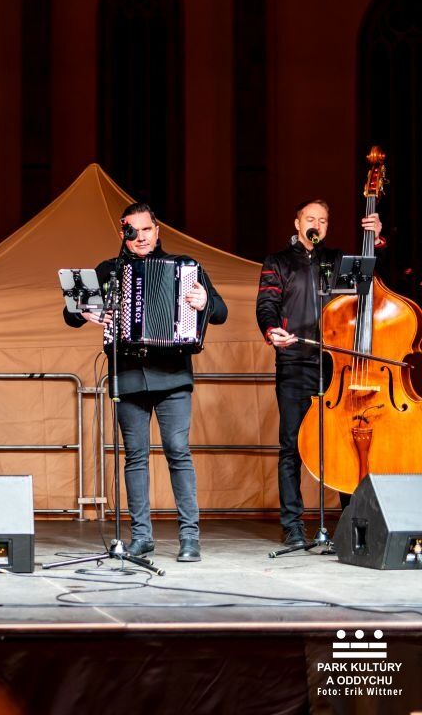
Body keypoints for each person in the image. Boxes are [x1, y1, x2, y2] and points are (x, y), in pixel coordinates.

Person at [63, 202, 227, 562]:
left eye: (147, 229)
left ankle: (189, 538)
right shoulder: (110, 271)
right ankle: (141, 536)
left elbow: (221, 312)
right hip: (129, 375)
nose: (140, 237)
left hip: (172, 375)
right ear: (124, 233)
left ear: (157, 231)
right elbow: (70, 313)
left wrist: (205, 301)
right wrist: (88, 312)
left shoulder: (186, 267)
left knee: (177, 452)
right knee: (135, 458)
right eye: (132, 231)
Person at [255, 200, 383, 548]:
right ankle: (293, 525)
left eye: (323, 220)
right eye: (310, 218)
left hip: (336, 366)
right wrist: (271, 331)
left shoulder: (338, 261)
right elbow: (266, 305)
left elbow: (372, 292)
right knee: (292, 444)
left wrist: (376, 240)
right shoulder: (277, 262)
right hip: (295, 361)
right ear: (297, 222)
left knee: (345, 442)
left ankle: (352, 522)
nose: (316, 224)